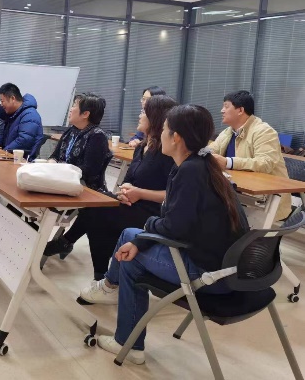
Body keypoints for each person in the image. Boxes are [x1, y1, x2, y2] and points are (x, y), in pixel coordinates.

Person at [86, 104, 249, 365]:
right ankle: (109, 288)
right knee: (131, 235)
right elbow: (178, 221)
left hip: (212, 276)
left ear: (176, 138)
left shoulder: (191, 171)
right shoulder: (202, 165)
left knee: (131, 259)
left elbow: (174, 227)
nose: (160, 133)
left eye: (164, 129)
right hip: (228, 268)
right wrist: (145, 235)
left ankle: (126, 338)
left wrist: (148, 226)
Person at [46, 96, 177, 282]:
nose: (139, 115)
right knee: (96, 207)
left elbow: (172, 195)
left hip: (151, 211)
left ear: (154, 118)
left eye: (143, 112)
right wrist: (123, 192)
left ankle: (101, 275)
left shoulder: (166, 153)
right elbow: (129, 181)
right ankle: (101, 275)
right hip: (131, 202)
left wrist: (139, 193)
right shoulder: (141, 148)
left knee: (96, 212)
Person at [210, 90, 291, 221]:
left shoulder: (264, 131)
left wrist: (228, 162)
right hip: (236, 193)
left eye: (226, 106)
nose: (222, 110)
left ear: (240, 110)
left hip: (263, 199)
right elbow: (212, 150)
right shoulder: (228, 132)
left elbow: (265, 163)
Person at [48, 93, 111, 191]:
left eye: (74, 106)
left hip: (84, 188)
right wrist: (51, 163)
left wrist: (59, 169)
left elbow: (88, 172)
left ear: (85, 114)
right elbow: (54, 156)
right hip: (63, 180)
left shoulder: (97, 136)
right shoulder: (70, 131)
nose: (70, 109)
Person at [0, 83, 43, 159]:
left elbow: (24, 140)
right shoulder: (13, 114)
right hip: (10, 156)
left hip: (22, 160)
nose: (1, 105)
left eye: (2, 101)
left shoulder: (30, 115)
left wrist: (4, 152)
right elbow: (2, 135)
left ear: (13, 98)